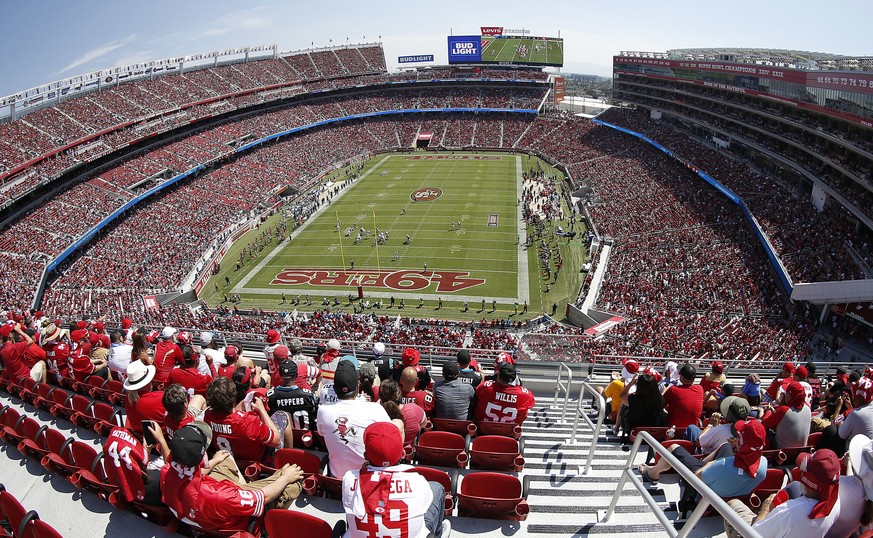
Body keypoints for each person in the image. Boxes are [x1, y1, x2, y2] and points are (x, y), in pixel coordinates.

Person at [160, 422, 304, 533]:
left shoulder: (165, 472)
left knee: (223, 457)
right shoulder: (220, 495)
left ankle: (244, 486)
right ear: (202, 458)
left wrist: (214, 461)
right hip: (237, 515)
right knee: (294, 478)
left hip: (207, 510)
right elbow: (261, 498)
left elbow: (188, 476)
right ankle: (271, 520)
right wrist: (285, 478)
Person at [342, 422, 450, 538]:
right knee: (436, 487)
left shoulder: (349, 479)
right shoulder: (418, 481)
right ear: (403, 453)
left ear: (365, 455)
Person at [640, 419, 769, 505]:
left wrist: (709, 465)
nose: (736, 438)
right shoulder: (763, 463)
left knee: (674, 448)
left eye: (739, 436)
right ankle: (699, 460)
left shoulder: (723, 466)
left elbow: (696, 479)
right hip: (731, 491)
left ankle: (653, 473)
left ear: (742, 442)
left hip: (706, 491)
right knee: (726, 445)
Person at [724, 449, 841, 538]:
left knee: (732, 505)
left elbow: (754, 534)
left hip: (761, 531)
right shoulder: (836, 502)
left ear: (808, 480)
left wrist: (766, 509)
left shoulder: (789, 511)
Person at [316, 360, 392, 479]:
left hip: (336, 479)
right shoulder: (376, 409)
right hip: (365, 479)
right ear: (357, 388)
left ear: (335, 389)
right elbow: (391, 439)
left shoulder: (323, 411)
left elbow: (321, 433)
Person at [202, 375, 280, 468]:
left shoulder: (207, 416)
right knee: (282, 416)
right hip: (254, 465)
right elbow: (277, 440)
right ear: (233, 396)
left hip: (227, 462)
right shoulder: (248, 421)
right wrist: (262, 410)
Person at [104, 422, 169, 506]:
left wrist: (145, 452)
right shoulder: (158, 478)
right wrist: (161, 439)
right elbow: (170, 468)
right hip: (154, 497)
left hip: (134, 496)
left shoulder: (116, 477)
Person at [267, 360, 318, 449]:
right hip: (305, 442)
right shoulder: (308, 395)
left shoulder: (270, 396)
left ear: (280, 375)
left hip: (282, 443)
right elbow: (315, 418)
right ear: (296, 375)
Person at [762, 380, 811, 449]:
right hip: (801, 450)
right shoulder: (808, 409)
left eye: (786, 393)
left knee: (762, 429)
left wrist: (768, 411)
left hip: (781, 450)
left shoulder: (784, 410)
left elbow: (764, 424)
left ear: (790, 395)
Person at [380, 379, 426, 447]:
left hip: (385, 452)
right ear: (399, 393)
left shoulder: (376, 413)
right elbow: (424, 424)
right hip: (409, 452)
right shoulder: (414, 409)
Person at [663, 364, 704, 429]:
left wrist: (663, 391)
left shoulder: (673, 390)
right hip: (692, 431)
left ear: (682, 376)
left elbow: (661, 404)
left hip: (673, 430)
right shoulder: (700, 389)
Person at [838, 376, 873, 443]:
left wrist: (840, 423)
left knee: (830, 431)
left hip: (856, 452)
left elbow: (841, 435)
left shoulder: (855, 414)